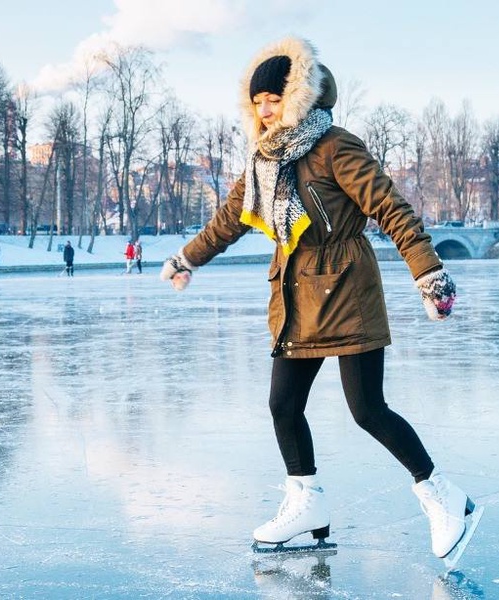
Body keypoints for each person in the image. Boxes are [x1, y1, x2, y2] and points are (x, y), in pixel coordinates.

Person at [160, 37, 474, 560]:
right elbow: (229, 219)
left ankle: (444, 497)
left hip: (347, 289)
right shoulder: (263, 161)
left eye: (275, 100)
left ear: (299, 98)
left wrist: (429, 274)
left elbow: (391, 209)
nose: (265, 110)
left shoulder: (334, 147)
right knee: (283, 404)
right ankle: (306, 503)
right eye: (257, 102)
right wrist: (187, 258)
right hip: (294, 296)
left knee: (367, 409)